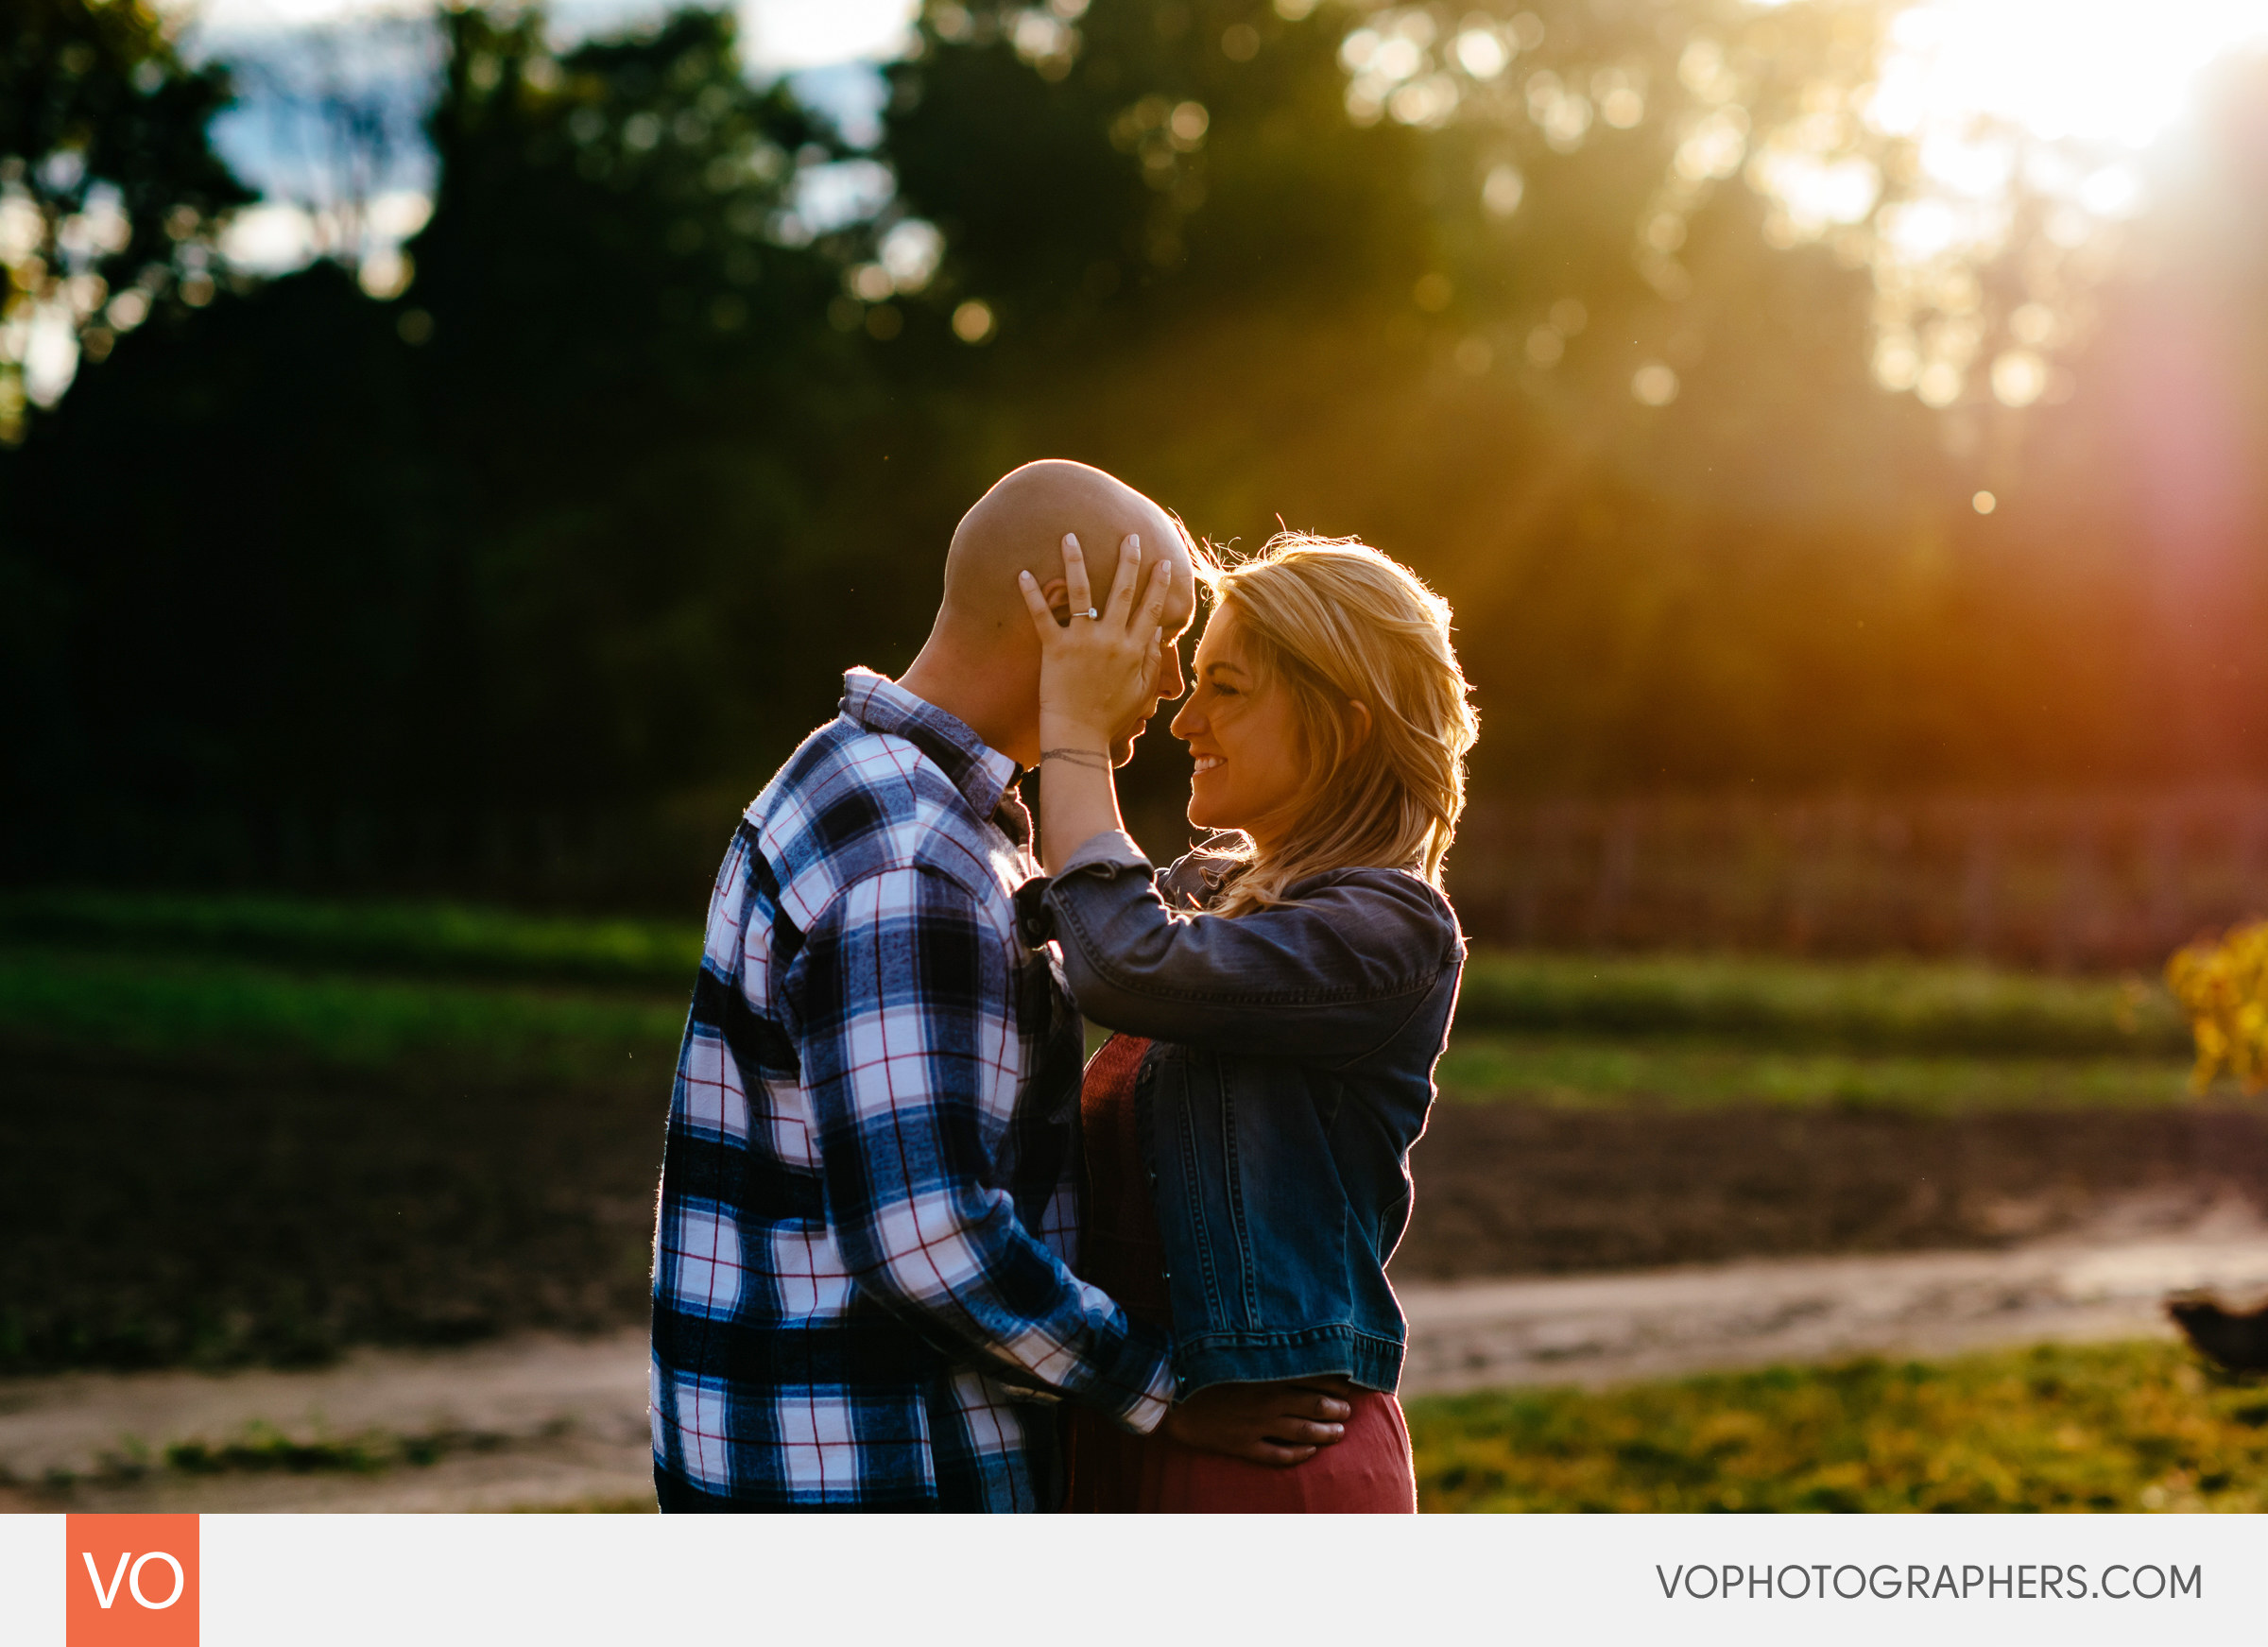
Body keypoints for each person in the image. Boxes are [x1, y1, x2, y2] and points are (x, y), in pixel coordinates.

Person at [648, 460, 1351, 1511]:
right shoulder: (911, 858)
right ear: (1068, 624)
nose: (1169, 685)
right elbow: (928, 1240)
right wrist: (1167, 1391)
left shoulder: (879, 790)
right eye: (1159, 639)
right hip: (877, 1472)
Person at [1014, 528, 1477, 1512]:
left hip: (1264, 1463)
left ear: (1345, 727)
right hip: (1146, 1429)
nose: (1187, 723)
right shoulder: (1224, 903)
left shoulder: (1385, 931)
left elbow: (1119, 958)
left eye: (1227, 687)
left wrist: (1073, 732)